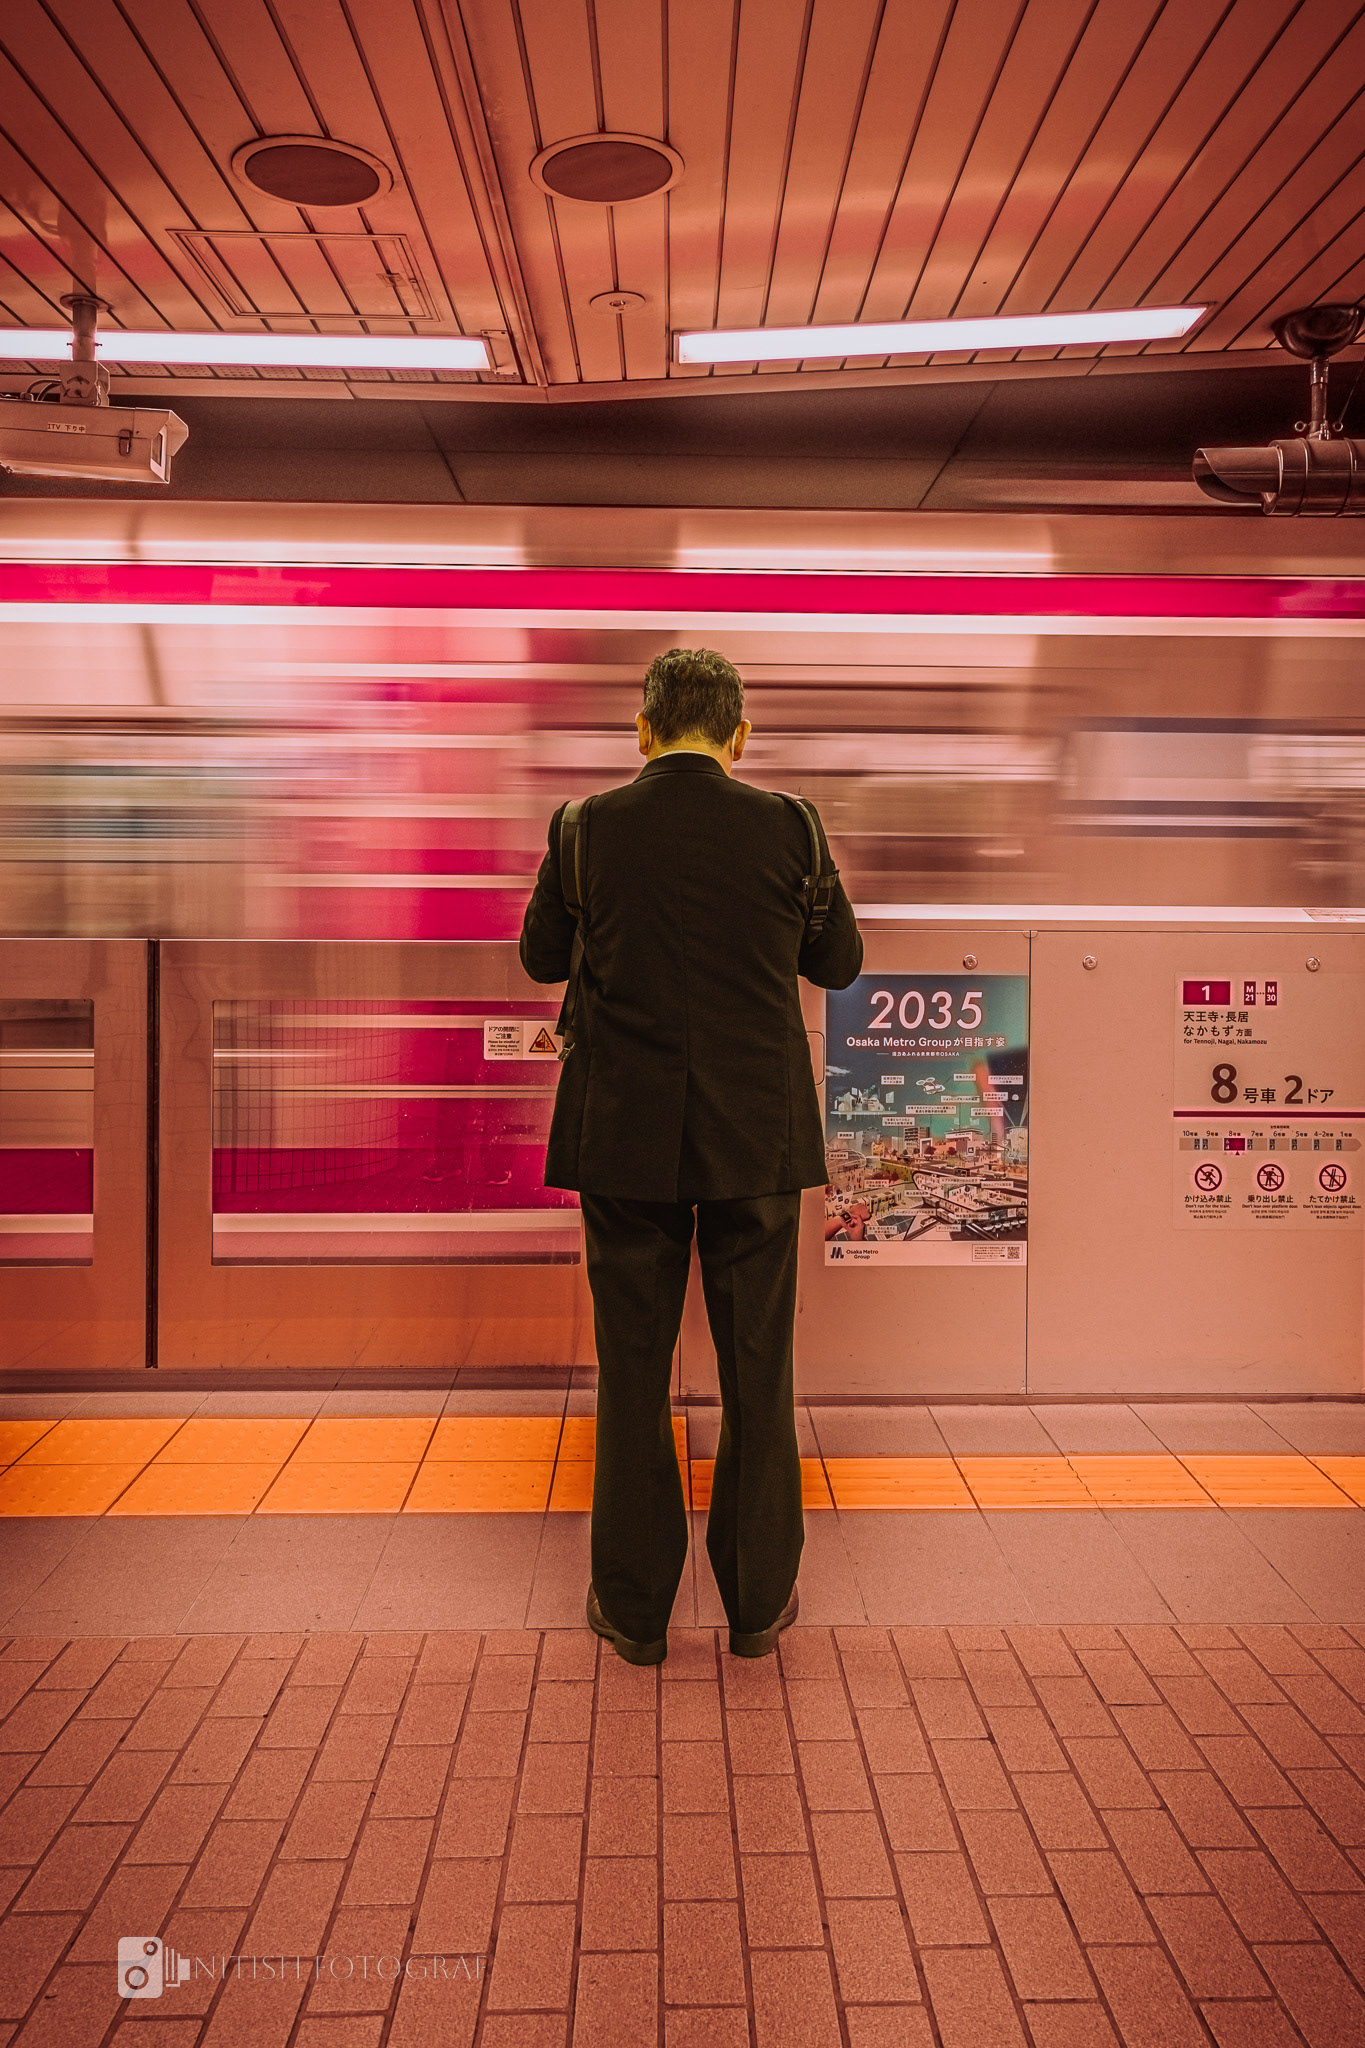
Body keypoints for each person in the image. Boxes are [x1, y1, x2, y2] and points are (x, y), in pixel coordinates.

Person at [519, 647, 863, 1665]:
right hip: (758, 1135)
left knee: (632, 1371)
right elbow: (837, 961)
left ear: (643, 729)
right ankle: (758, 1602)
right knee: (761, 1369)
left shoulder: (585, 829)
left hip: (623, 1137)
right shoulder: (789, 826)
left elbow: (542, 956)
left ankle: (633, 1609)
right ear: (739, 734)